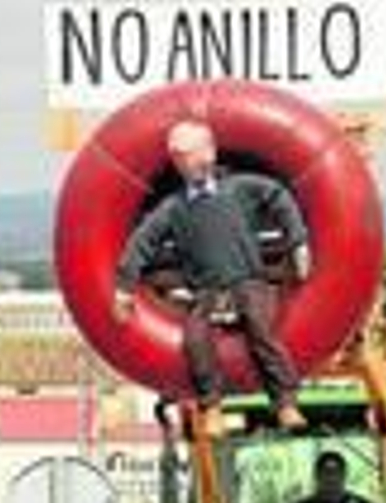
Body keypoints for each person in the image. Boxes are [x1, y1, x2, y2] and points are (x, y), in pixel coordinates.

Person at [115, 119, 311, 436]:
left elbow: (279, 198)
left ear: (209, 151)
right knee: (195, 340)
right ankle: (212, 406)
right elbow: (142, 241)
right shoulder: (173, 208)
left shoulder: (241, 188)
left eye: (188, 153)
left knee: (261, 332)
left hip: (250, 281)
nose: (183, 162)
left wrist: (298, 242)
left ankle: (286, 402)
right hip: (205, 291)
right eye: (177, 157)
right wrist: (124, 287)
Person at [290, 451, 382, 503]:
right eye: (326, 473)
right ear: (316, 476)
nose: (331, 479)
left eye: (335, 473)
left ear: (344, 475)